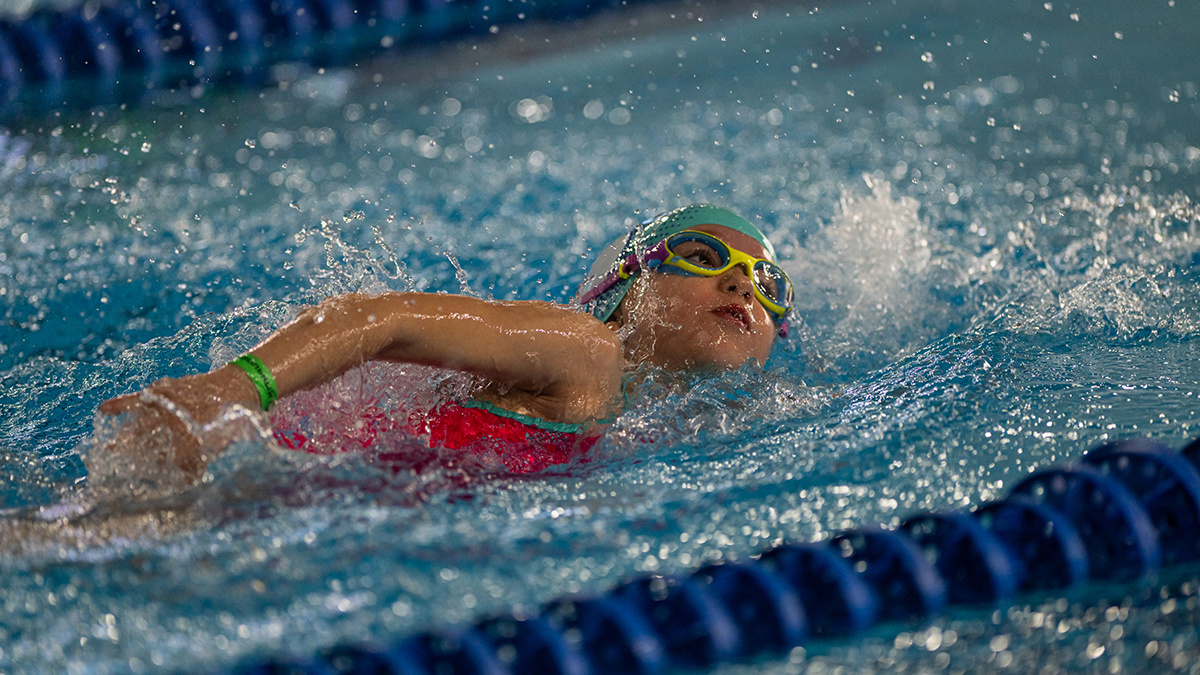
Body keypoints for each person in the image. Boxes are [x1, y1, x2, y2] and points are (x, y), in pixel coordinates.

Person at [94, 204, 794, 483]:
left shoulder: (666, 417)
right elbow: (382, 317)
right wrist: (231, 388)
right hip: (270, 488)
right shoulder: (588, 349)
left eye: (768, 283)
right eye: (703, 256)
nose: (741, 285)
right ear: (625, 288)